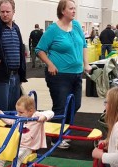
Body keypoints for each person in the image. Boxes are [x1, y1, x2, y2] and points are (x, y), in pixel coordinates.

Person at [35, 0, 92, 149]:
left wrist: (86, 64)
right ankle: (56, 138)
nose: (74, 11)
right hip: (59, 75)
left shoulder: (77, 26)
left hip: (77, 74)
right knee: (60, 106)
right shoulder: (53, 30)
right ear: (63, 11)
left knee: (75, 104)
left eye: (75, 8)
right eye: (71, 8)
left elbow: (84, 46)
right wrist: (50, 64)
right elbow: (39, 49)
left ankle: (64, 131)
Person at [0, 95, 54, 167]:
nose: (18, 114)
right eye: (17, 111)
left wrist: (44, 117)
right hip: (16, 144)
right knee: (2, 154)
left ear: (31, 111)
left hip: (28, 147)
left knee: (17, 157)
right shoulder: (19, 116)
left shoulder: (36, 116)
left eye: (21, 112)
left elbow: (51, 112)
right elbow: (9, 121)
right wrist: (0, 113)